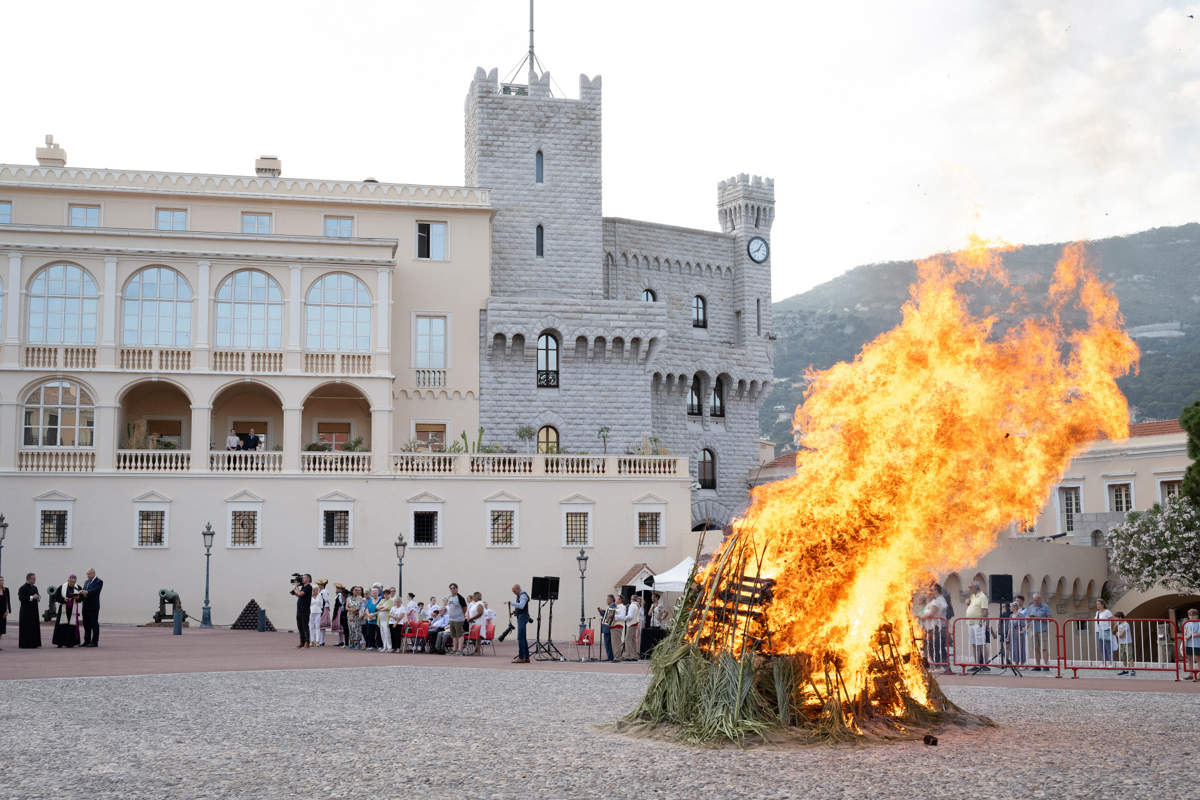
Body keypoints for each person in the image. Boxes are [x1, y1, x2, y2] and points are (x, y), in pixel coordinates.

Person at [919, 589, 950, 674]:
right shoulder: (929, 604)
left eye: (929, 593)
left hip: (934, 627)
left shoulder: (935, 603)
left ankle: (939, 666)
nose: (927, 595)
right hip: (929, 627)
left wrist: (921, 617)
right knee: (930, 647)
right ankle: (933, 665)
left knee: (935, 647)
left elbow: (931, 613)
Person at [965, 581, 989, 672]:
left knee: (981, 644)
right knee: (974, 644)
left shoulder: (982, 596)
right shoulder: (973, 596)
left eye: (970, 587)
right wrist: (967, 603)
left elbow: (985, 611)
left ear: (976, 587)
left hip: (978, 623)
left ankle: (984, 664)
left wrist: (981, 620)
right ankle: (976, 664)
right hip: (970, 623)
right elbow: (970, 605)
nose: (969, 589)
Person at [52, 574, 82, 648]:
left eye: (74, 582)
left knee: (71, 626)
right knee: (62, 625)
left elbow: (81, 599)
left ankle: (71, 643)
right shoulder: (62, 587)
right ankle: (60, 642)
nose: (72, 583)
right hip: (63, 609)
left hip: (73, 610)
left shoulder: (78, 588)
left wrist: (78, 598)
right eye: (71, 582)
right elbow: (56, 597)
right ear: (68, 580)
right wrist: (63, 599)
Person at [1025, 592, 1053, 671]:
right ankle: (1037, 665)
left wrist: (1038, 618)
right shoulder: (1031, 607)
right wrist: (1029, 617)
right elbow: (1028, 618)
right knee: (1036, 648)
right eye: (1034, 600)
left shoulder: (1046, 607)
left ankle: (1046, 665)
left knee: (1044, 648)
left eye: (1037, 600)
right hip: (1034, 630)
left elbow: (1050, 619)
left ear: (1040, 599)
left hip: (1043, 630)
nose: (1035, 602)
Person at [79, 568, 103, 647]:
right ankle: (87, 641)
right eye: (87, 574)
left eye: (88, 574)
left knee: (94, 624)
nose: (87, 576)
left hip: (93, 607)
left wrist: (87, 592)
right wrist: (81, 593)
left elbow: (96, 591)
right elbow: (84, 592)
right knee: (86, 624)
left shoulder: (99, 581)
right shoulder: (86, 582)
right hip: (85, 606)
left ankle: (94, 642)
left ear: (93, 573)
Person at [18, 573, 41, 649]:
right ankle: (25, 644)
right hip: (26, 611)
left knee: (34, 627)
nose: (34, 580)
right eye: (33, 579)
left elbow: (37, 596)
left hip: (34, 611)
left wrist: (38, 597)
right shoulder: (23, 588)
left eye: (35, 579)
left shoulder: (35, 587)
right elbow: (22, 598)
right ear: (28, 579)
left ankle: (34, 643)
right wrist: (32, 597)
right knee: (26, 627)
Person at [511, 584, 531, 663]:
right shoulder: (520, 595)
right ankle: (526, 657)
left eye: (514, 591)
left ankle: (521, 657)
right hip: (521, 616)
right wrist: (514, 612)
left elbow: (522, 606)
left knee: (520, 638)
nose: (514, 593)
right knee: (523, 638)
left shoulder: (523, 595)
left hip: (522, 617)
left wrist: (512, 603)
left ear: (518, 588)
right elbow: (520, 607)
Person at [445, 583, 467, 653]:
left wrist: (461, 615)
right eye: (451, 588)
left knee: (459, 634)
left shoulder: (460, 598)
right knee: (453, 635)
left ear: (457, 589)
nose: (452, 590)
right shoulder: (449, 597)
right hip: (451, 619)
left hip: (459, 619)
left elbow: (464, 608)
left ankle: (460, 649)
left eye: (454, 588)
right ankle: (454, 649)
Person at [292, 574, 313, 648]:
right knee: (300, 626)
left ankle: (307, 642)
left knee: (305, 626)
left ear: (308, 579)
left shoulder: (308, 587)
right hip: (299, 609)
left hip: (305, 610)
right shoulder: (303, 587)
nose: (302, 579)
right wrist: (295, 593)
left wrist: (296, 586)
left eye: (304, 578)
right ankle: (302, 641)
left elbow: (301, 594)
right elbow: (299, 595)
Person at [1007, 596, 1027, 666]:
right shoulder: (1010, 616)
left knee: (1020, 648)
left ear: (1014, 607)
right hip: (1013, 635)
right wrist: (1008, 637)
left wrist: (1022, 632)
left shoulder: (1021, 615)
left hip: (1019, 635)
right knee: (1014, 648)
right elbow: (1009, 627)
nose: (1010, 608)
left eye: (1011, 607)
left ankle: (1022, 664)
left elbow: (1025, 626)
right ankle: (1016, 663)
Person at [1094, 598, 1114, 667]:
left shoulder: (1107, 612)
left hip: (1105, 630)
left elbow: (1112, 621)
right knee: (1101, 647)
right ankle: (1103, 662)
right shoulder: (1097, 612)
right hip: (1098, 631)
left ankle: (1111, 662)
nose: (1097, 605)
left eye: (1098, 604)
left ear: (1102, 605)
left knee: (1108, 647)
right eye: (1097, 604)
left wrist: (1110, 629)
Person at [309, 579, 329, 648]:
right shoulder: (310, 597)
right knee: (311, 627)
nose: (316, 591)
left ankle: (317, 641)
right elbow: (308, 605)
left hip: (318, 612)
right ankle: (312, 641)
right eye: (315, 589)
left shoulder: (320, 596)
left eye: (317, 589)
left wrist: (320, 610)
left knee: (317, 626)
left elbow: (321, 604)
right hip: (311, 612)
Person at [1182, 608, 1200, 680]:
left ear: (1197, 616)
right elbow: (1185, 632)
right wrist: (1185, 636)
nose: (1192, 616)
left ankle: (1199, 674)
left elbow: (1199, 633)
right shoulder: (1187, 623)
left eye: (1193, 615)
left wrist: (1191, 636)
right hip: (1189, 644)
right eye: (1190, 615)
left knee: (1198, 658)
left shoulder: (1199, 623)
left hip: (1197, 643)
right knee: (1189, 658)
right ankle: (1190, 674)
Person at [598, 595, 616, 662]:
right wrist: (601, 611)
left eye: (608, 599)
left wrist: (603, 612)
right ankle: (609, 656)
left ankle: (610, 656)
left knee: (608, 643)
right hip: (607, 627)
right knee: (607, 643)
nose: (606, 600)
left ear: (611, 600)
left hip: (608, 627)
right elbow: (606, 615)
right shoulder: (611, 606)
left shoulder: (612, 606)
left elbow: (609, 616)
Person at [610, 595, 627, 663]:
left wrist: (614, 616)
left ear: (620, 600)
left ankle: (618, 657)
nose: (615, 600)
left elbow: (623, 617)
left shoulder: (622, 607)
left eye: (617, 599)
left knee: (617, 642)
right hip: (614, 625)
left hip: (618, 625)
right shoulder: (616, 607)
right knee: (614, 643)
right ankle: (616, 656)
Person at [625, 595, 643, 661]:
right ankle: (634, 655)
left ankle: (628, 655)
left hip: (631, 624)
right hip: (635, 623)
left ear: (631, 599)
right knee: (632, 640)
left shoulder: (632, 605)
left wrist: (624, 617)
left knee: (628, 640)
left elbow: (630, 616)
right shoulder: (637, 605)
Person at [0, 576, 10, 650]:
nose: (1, 582)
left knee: (1, 629)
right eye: (0, 580)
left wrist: (7, 611)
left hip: (3, 612)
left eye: (2, 580)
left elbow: (7, 601)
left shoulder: (6, 590)